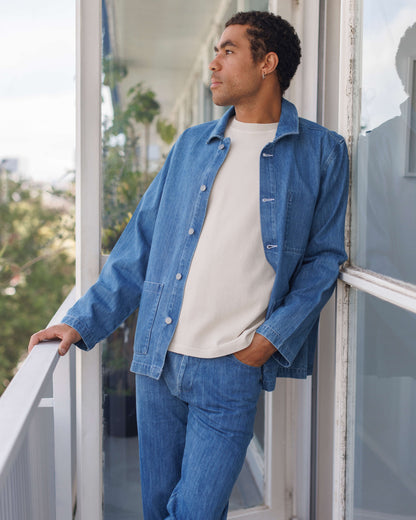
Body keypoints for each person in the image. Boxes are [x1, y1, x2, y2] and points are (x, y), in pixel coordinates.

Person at [28, 11, 349, 520]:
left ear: (267, 63)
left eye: (228, 50)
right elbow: (139, 245)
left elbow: (323, 260)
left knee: (195, 511)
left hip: (232, 366)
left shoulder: (322, 151)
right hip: (158, 361)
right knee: (158, 508)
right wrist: (79, 321)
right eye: (214, 50)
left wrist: (268, 341)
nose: (213, 64)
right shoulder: (190, 146)